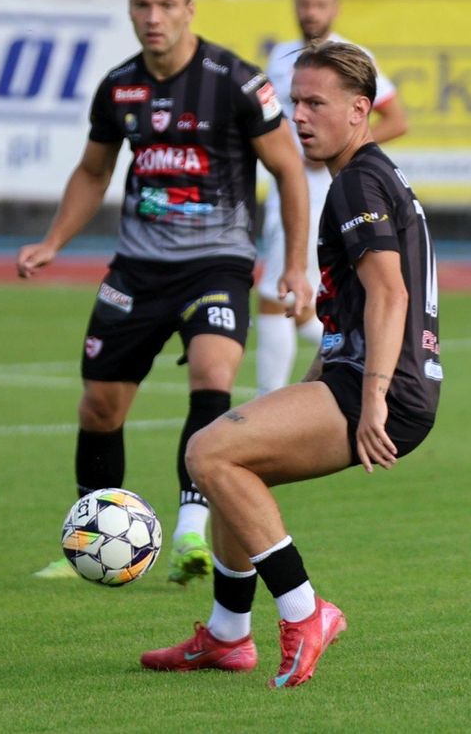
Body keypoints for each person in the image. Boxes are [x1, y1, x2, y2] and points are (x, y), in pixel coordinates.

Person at [141, 42, 441, 688]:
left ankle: (305, 611)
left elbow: (391, 293)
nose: (297, 116)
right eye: (292, 101)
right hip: (357, 376)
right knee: (232, 462)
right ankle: (226, 635)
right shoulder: (368, 174)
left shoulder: (359, 180)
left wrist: (375, 398)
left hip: (378, 386)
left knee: (210, 453)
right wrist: (314, 382)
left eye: (315, 103)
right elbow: (356, 313)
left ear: (361, 110)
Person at [16, 0, 312, 585]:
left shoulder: (235, 80)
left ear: (190, 8)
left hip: (217, 262)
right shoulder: (119, 86)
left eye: (166, 6)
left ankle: (188, 533)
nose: (153, 19)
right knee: (99, 406)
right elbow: (93, 171)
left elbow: (289, 168)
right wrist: (54, 241)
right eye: (141, 6)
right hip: (138, 269)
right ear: (129, 8)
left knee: (212, 372)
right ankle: (87, 539)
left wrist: (296, 266)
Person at [256, 0, 408, 397]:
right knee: (298, 300)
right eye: (305, 4)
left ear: (335, 8)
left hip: (327, 188)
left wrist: (343, 146)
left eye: (321, 5)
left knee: (275, 294)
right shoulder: (283, 56)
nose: (311, 13)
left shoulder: (352, 57)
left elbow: (396, 118)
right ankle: (350, 354)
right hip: (286, 186)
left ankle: (268, 401)